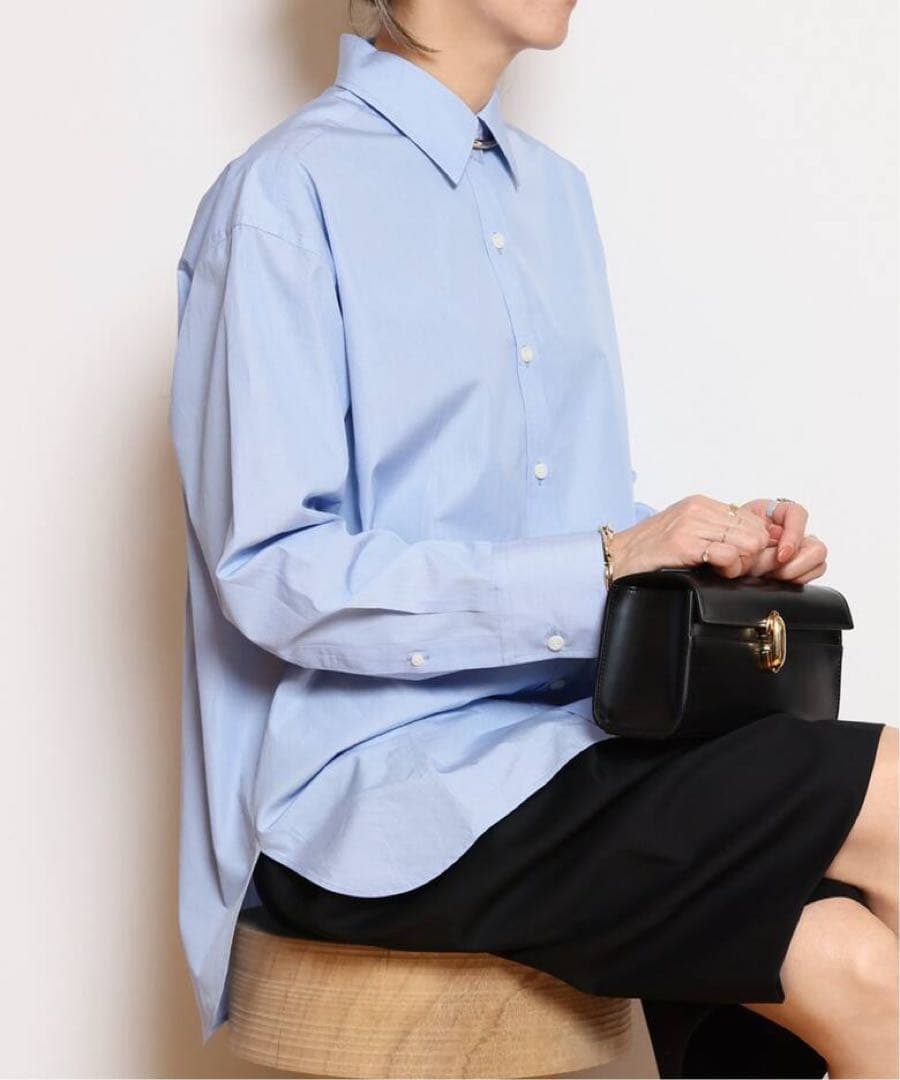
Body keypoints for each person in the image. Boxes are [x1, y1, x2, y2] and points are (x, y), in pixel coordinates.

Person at [168, 2, 899, 1075]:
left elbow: (570, 517)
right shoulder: (285, 194)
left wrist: (710, 551)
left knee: (856, 970)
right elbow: (274, 571)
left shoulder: (556, 197)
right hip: (374, 792)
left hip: (579, 738)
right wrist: (605, 562)